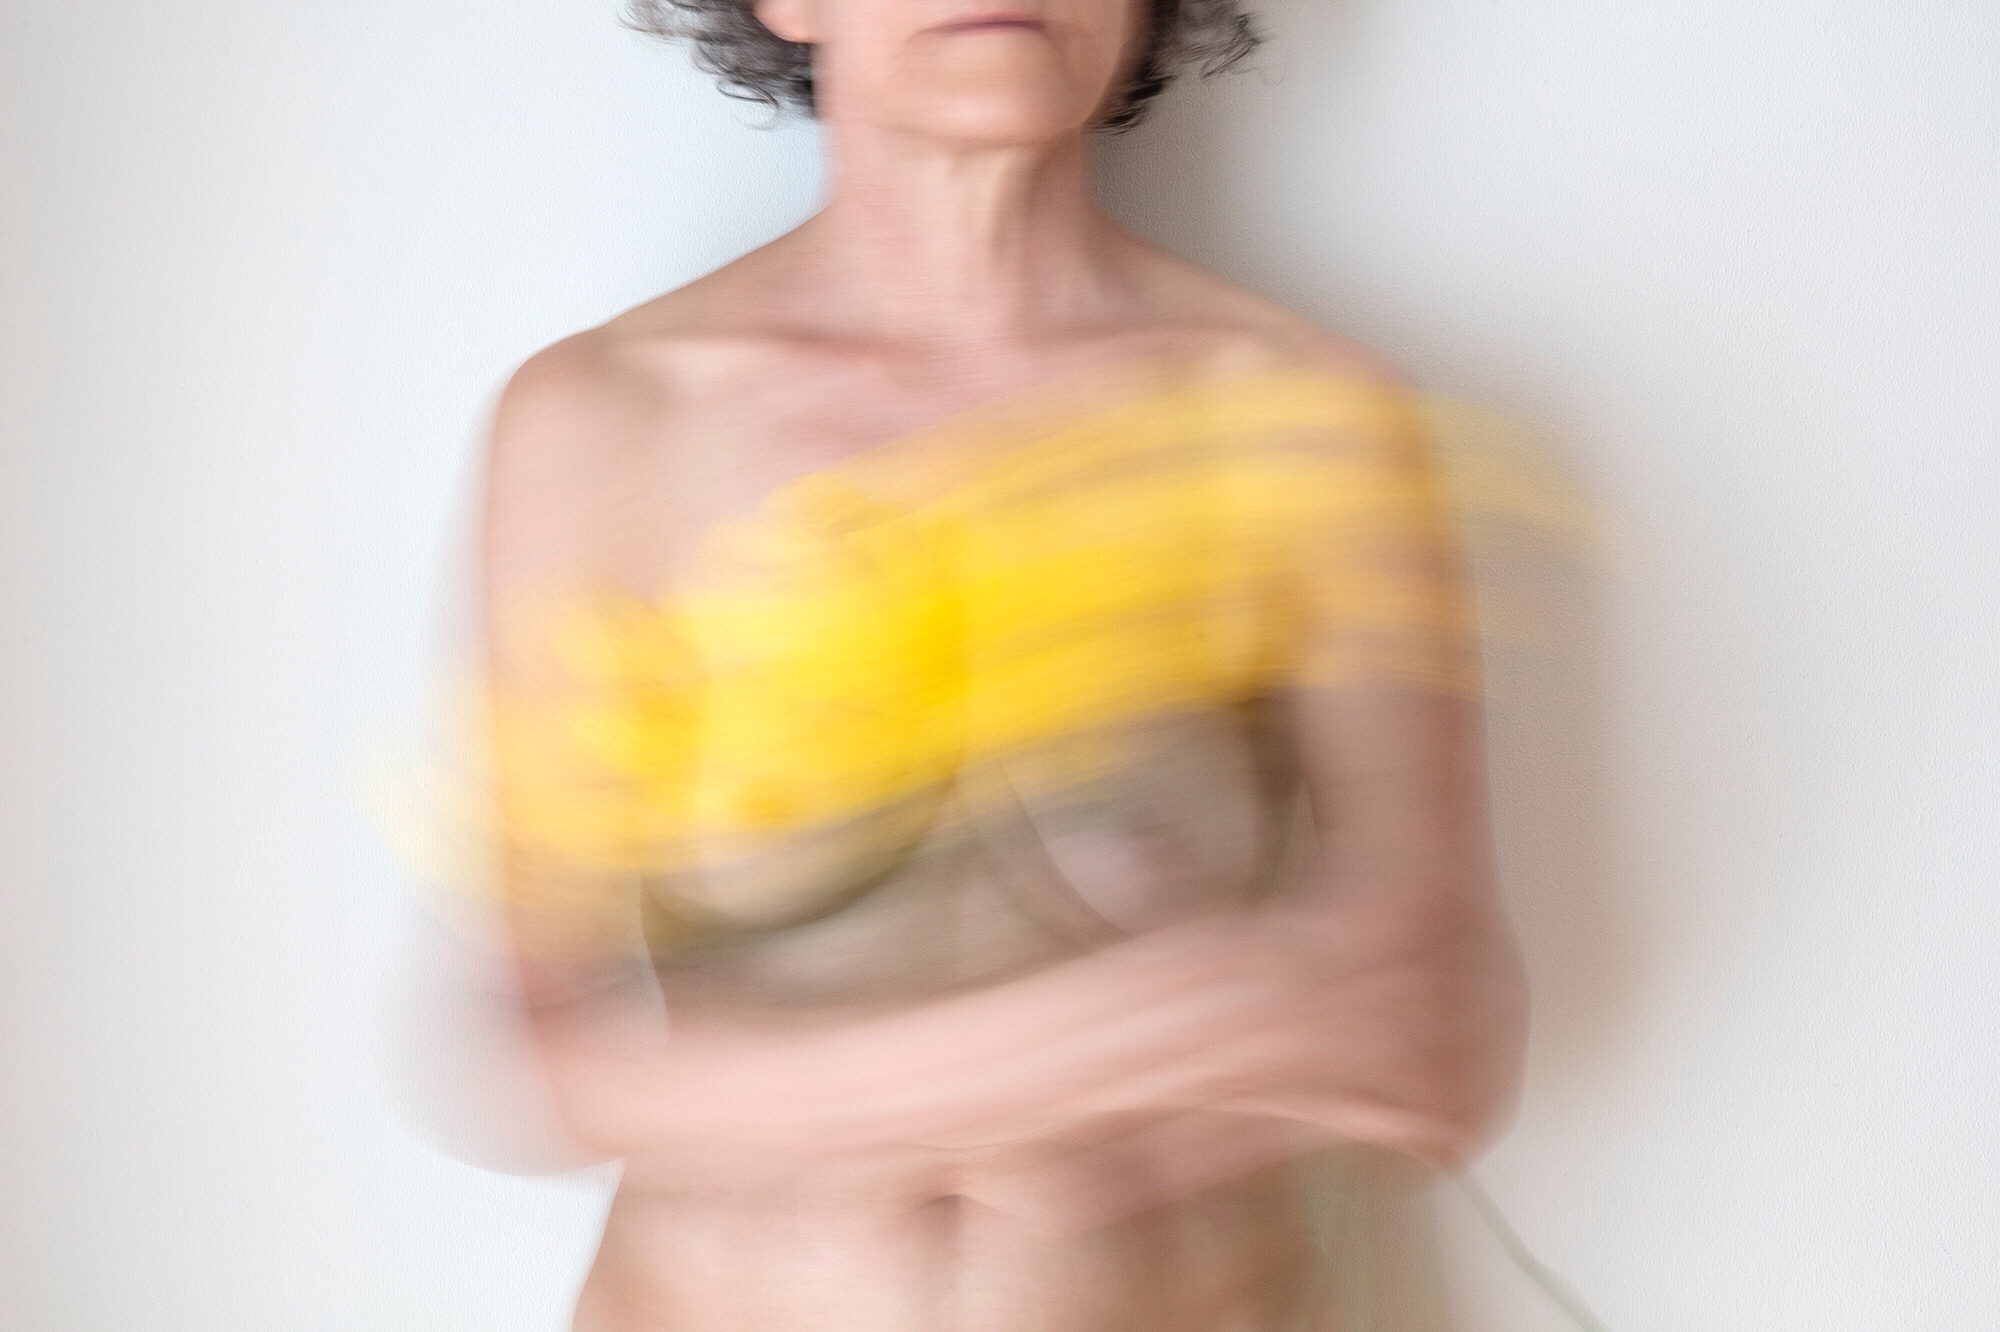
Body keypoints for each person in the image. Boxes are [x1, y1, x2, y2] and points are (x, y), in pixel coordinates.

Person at [467, 2, 1529, 1328]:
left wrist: (842, 1086)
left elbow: (1444, 1040)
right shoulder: (607, 418)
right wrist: (1151, 1028)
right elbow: (536, 1058)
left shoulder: (1304, 417)